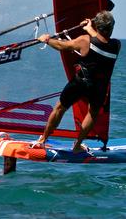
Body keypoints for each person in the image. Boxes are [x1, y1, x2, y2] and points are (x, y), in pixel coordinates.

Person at [31, 10, 120, 153]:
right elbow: (101, 41)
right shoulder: (116, 45)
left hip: (81, 82)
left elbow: (62, 46)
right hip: (100, 87)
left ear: (98, 27)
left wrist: (46, 39)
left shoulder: (84, 40)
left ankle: (42, 140)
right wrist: (90, 28)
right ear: (111, 28)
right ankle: (78, 145)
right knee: (92, 113)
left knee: (60, 108)